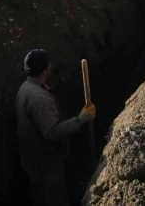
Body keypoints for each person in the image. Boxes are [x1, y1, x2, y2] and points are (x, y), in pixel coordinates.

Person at [15, 49, 96, 206]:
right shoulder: (40, 98)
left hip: (33, 160)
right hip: (46, 164)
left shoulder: (25, 87)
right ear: (46, 68)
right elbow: (51, 132)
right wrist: (81, 119)